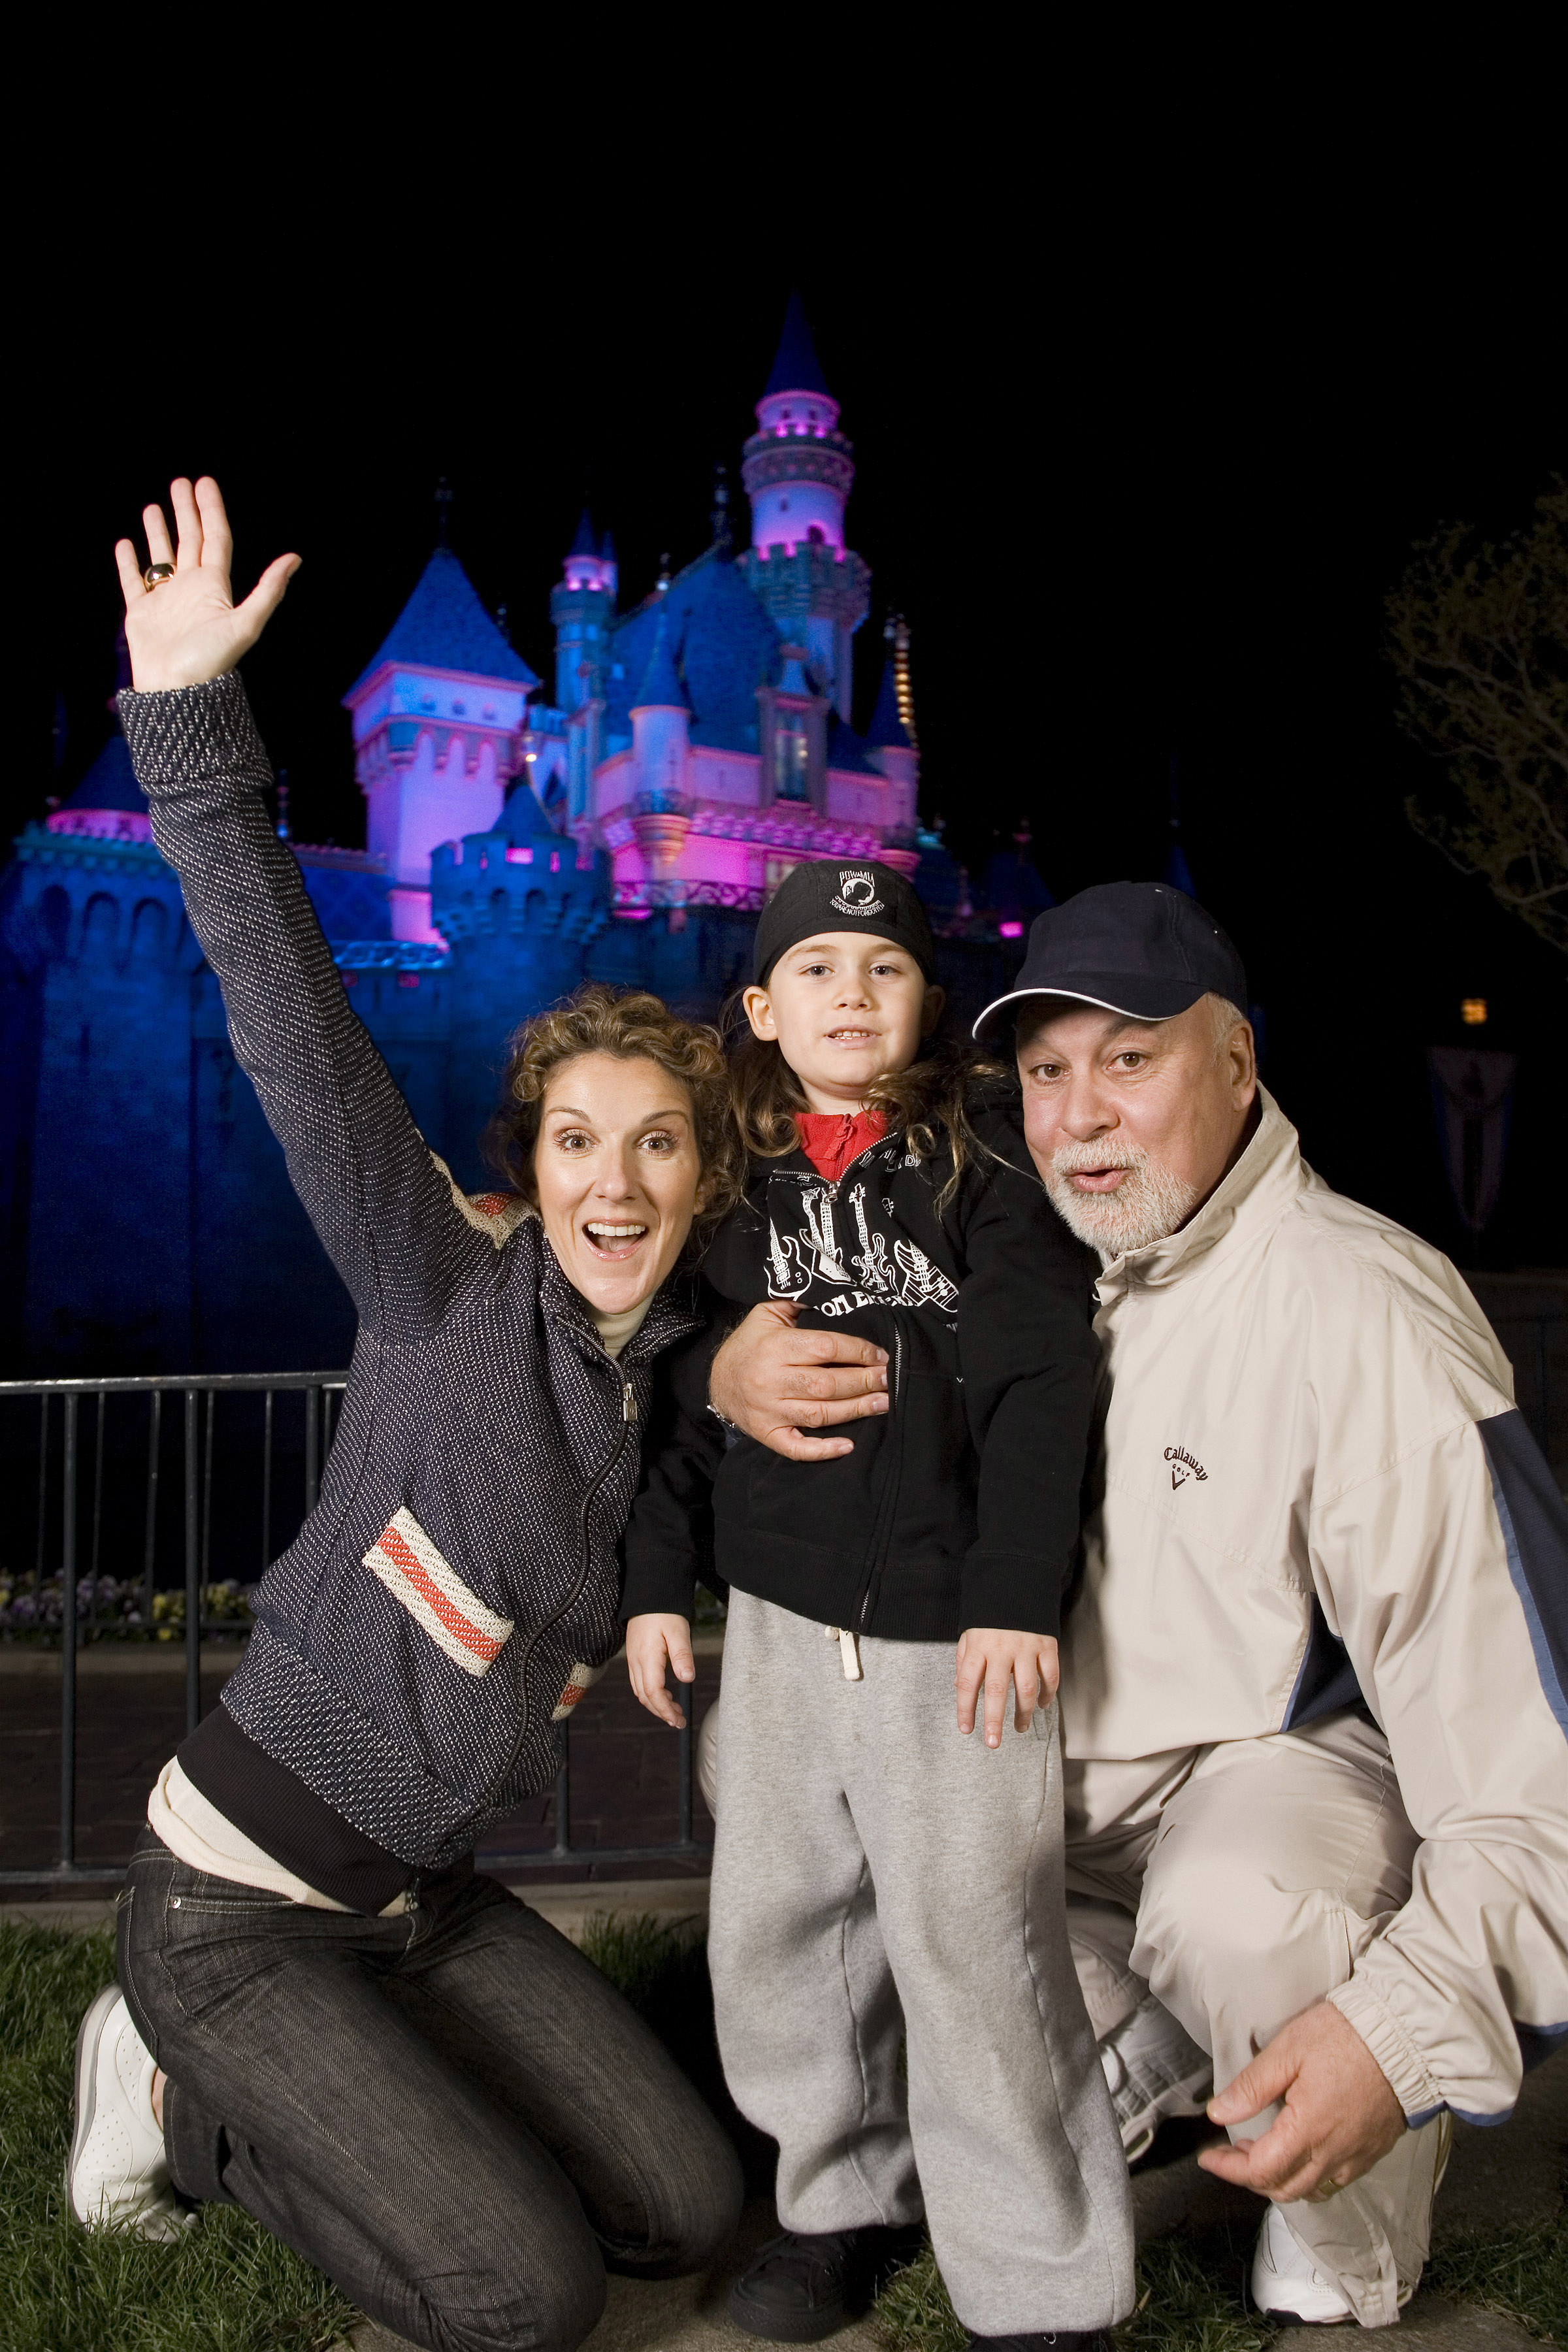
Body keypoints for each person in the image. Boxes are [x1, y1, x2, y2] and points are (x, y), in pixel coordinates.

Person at [65, 479, 744, 2352]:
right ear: (523, 1164)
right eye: (578, 1142)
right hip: (237, 1895)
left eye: (660, 1144)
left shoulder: (677, 1369)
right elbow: (293, 1022)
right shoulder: (446, 1288)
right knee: (518, 2301)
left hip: (421, 1896)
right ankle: (182, 2101)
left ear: (704, 1179)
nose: (616, 1184)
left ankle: (387, 2079)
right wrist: (191, 730)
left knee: (682, 2210)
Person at [711, 879, 1568, 2330]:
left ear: (1238, 1065)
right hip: (1043, 1829)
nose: (1081, 1116)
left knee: (1243, 1910)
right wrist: (721, 1378)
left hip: (1257, 1789)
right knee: (807, 1834)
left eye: (1132, 1059)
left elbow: (1532, 1770)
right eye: (1046, 1071)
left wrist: (1398, 2031)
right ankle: (1156, 2043)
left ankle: (1340, 2250)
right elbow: (683, 1290)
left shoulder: (1365, 1314)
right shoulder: (986, 1248)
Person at [619, 861, 1135, 2352]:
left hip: (949, 1634)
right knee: (783, 1928)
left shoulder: (984, 1159)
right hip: (780, 1627)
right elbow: (676, 1394)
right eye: (820, 968)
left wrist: (1013, 1598)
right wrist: (660, 1588)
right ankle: (837, 2204)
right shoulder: (728, 1183)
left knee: (976, 1942)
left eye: (885, 967)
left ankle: (1043, 2276)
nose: (853, 993)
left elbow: (1046, 1384)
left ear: (930, 1006)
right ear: (763, 1009)